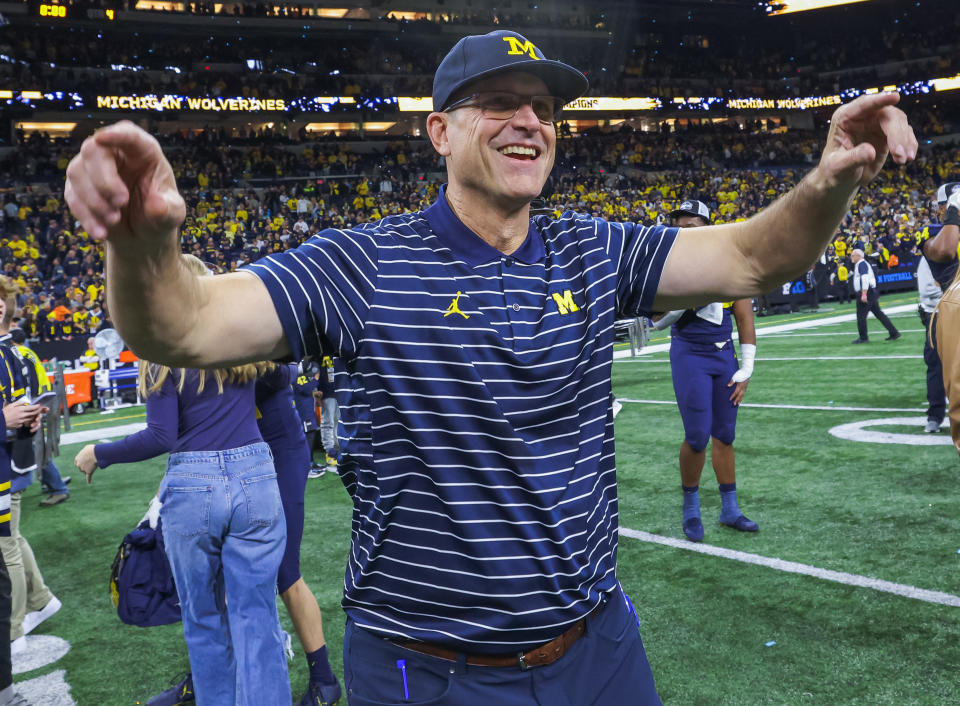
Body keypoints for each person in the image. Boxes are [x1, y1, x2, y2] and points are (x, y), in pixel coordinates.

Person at [65, 28, 917, 704]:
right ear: (439, 131)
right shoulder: (361, 266)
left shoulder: (592, 246)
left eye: (545, 109)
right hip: (429, 671)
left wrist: (832, 178)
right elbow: (190, 326)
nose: (531, 122)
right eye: (499, 104)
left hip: (599, 648)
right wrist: (143, 249)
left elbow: (750, 259)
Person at [72, 258, 291, 706]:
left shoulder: (160, 351)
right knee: (257, 615)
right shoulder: (239, 341)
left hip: (193, 484)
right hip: (254, 473)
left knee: (204, 619)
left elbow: (160, 436)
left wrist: (100, 453)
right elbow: (285, 374)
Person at [655, 199, 758, 542]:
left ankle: (730, 508)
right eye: (679, 226)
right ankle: (691, 507)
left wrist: (746, 366)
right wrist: (686, 299)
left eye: (690, 226)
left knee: (725, 434)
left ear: (708, 228)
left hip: (722, 354)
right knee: (698, 435)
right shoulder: (668, 264)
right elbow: (654, 320)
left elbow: (743, 313)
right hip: (690, 353)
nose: (683, 232)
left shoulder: (728, 262)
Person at [0, 280, 60, 656]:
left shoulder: (10, 355)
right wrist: (28, 418)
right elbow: (35, 404)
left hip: (6, 461)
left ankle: (12, 629)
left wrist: (16, 418)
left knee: (4, 545)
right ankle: (41, 599)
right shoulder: (22, 353)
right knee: (12, 538)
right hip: (18, 456)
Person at [917, 183, 960, 433]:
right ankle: (935, 414)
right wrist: (954, 213)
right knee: (936, 364)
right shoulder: (931, 234)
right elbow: (944, 250)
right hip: (944, 314)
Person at [849, 248, 900, 344]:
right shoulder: (860, 264)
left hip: (867, 292)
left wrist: (864, 294)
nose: (851, 257)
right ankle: (894, 332)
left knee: (861, 316)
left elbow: (864, 279)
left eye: (853, 255)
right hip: (870, 292)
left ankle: (863, 338)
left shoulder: (862, 264)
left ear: (859, 256)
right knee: (879, 314)